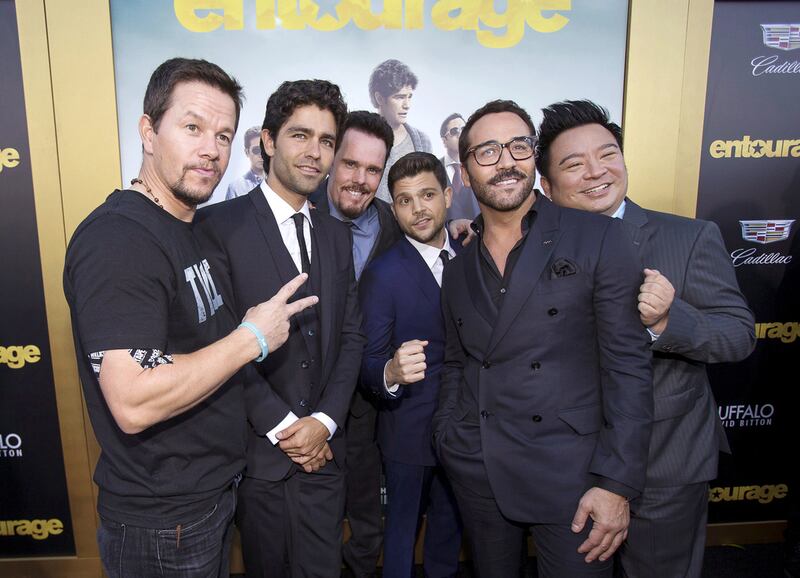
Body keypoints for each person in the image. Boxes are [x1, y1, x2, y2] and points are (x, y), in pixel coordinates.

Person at [63, 58, 317, 578]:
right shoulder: (119, 239)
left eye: (224, 135)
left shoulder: (190, 225)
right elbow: (133, 400)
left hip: (207, 500)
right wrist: (251, 338)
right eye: (193, 127)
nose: (212, 150)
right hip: (162, 523)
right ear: (148, 131)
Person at [431, 99, 654, 578]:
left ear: (534, 157)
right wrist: (451, 437)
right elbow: (456, 363)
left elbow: (628, 369)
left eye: (518, 146)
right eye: (487, 151)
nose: (506, 161)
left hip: (574, 477)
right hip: (481, 467)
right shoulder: (458, 269)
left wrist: (616, 483)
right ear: (465, 174)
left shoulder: (596, 238)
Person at [537, 99, 756, 578]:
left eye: (608, 154)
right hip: (569, 466)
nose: (597, 172)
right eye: (574, 164)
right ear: (547, 186)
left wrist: (665, 320)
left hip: (666, 463)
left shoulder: (689, 237)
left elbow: (739, 335)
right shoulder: (531, 252)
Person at [195, 80, 364, 577]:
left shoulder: (336, 234)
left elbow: (351, 336)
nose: (315, 153)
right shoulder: (216, 227)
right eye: (300, 135)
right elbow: (215, 344)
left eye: (327, 141)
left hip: (327, 452)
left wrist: (325, 422)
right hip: (259, 456)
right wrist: (288, 429)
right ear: (268, 140)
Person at [359, 152, 463, 578]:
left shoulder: (472, 259)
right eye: (404, 200)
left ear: (448, 195)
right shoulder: (382, 273)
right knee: (401, 536)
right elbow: (366, 361)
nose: (418, 208)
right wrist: (390, 373)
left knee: (449, 530)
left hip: (464, 429)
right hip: (408, 432)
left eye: (426, 195)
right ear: (393, 208)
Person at [309, 110, 402, 577]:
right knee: (312, 523)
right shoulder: (293, 215)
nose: (360, 179)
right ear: (329, 158)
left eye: (373, 170)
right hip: (303, 402)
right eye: (350, 164)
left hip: (367, 405)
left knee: (368, 519)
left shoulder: (395, 225)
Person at [368, 59, 432, 203]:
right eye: (399, 97)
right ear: (379, 98)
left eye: (409, 96)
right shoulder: (360, 139)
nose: (407, 105)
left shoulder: (422, 142)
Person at [439, 113, 479, 221]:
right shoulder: (433, 169)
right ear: (444, 141)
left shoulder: (480, 165)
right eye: (454, 131)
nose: (460, 134)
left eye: (463, 129)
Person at [225, 126, 265, 199]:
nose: (261, 155)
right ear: (247, 152)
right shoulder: (235, 188)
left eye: (264, 149)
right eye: (256, 150)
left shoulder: (279, 184)